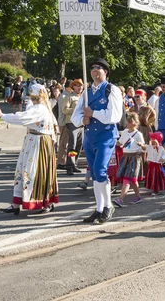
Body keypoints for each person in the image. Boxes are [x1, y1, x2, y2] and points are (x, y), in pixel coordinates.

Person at [72, 58, 122, 224]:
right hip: (90, 137)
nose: (94, 70)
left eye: (98, 68)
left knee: (100, 170)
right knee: (94, 173)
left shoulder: (111, 90)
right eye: (92, 68)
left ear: (105, 72)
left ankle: (108, 206)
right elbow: (75, 116)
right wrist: (82, 120)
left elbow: (114, 116)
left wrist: (93, 113)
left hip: (106, 136)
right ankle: (99, 208)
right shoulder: (87, 93)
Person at [0, 84, 59, 215]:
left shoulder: (41, 109)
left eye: (32, 95)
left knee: (35, 171)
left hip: (39, 142)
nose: (31, 98)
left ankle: (45, 201)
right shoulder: (39, 107)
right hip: (32, 141)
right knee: (23, 170)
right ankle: (16, 203)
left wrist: (3, 115)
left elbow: (23, 118)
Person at [113, 113, 145, 207]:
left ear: (134, 123)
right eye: (128, 121)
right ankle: (138, 197)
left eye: (129, 121)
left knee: (127, 179)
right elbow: (120, 143)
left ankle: (121, 199)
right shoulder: (125, 132)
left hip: (134, 158)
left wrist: (141, 145)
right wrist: (112, 141)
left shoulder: (138, 134)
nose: (127, 123)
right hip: (125, 156)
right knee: (132, 179)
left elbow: (144, 148)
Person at [64, 79, 84, 175]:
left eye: (81, 86)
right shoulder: (69, 97)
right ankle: (69, 166)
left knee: (79, 145)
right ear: (73, 87)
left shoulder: (83, 97)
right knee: (72, 145)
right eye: (77, 86)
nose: (79, 88)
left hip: (81, 123)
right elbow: (64, 110)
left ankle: (74, 163)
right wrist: (76, 110)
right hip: (72, 123)